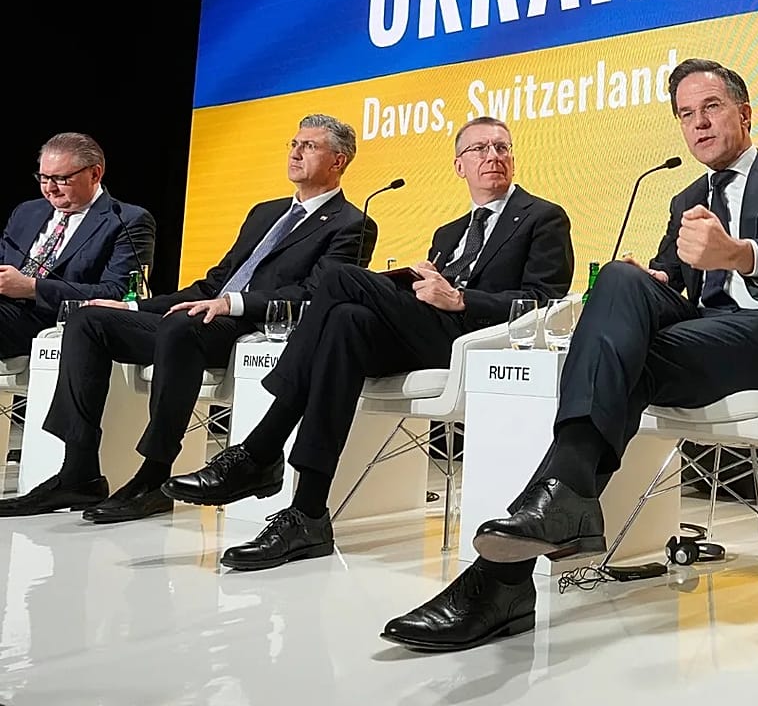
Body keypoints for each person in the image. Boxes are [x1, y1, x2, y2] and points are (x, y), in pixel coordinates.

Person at [378, 57, 758, 651]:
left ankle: (504, 578)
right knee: (620, 290)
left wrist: (738, 253)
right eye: (684, 115)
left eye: (711, 108)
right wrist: (648, 278)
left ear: (745, 114)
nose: (697, 124)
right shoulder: (683, 199)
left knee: (622, 367)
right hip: (701, 336)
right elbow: (672, 277)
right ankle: (540, 537)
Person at [162, 116, 575, 568]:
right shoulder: (449, 232)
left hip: (476, 341)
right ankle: (308, 514)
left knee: (340, 278)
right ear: (459, 166)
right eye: (479, 149)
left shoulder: (543, 217)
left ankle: (261, 449)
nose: (493, 157)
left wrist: (459, 298)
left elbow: (542, 300)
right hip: (427, 331)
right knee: (345, 321)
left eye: (502, 148)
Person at [0, 114, 375, 519]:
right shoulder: (265, 213)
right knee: (89, 320)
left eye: (310, 146)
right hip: (203, 318)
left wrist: (232, 304)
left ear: (338, 161)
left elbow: (314, 295)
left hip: (251, 326)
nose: (296, 152)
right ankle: (79, 471)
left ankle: (153, 475)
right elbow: (213, 282)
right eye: (293, 143)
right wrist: (130, 307)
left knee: (182, 325)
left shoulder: (353, 224)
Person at [1, 133, 155, 360]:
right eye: (43, 178)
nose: (50, 189)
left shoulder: (127, 220)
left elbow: (118, 293)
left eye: (61, 179)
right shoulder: (26, 212)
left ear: (95, 174)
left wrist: (32, 287)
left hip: (58, 321)